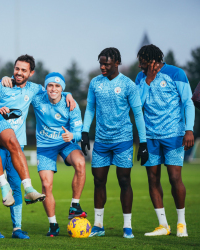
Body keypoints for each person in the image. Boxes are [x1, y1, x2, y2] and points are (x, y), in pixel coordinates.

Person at [0, 56, 76, 239]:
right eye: (17, 69)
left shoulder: (35, 89)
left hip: (18, 146)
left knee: (16, 186)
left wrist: (69, 95)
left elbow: (54, 92)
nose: (19, 73)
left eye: (23, 70)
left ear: (31, 73)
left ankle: (17, 229)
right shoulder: (2, 85)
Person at [81, 47, 148, 239]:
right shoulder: (95, 83)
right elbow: (90, 109)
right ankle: (98, 225)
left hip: (123, 141)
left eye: (106, 64)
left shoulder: (128, 85)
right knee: (98, 181)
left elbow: (137, 114)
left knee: (124, 181)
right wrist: (85, 132)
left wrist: (142, 143)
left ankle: (127, 226)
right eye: (100, 63)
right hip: (101, 141)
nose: (102, 66)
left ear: (116, 63)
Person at [135, 44, 195, 237]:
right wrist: (149, 80)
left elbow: (188, 103)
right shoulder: (141, 78)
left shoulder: (176, 73)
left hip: (174, 135)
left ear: (153, 60)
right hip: (150, 137)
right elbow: (139, 105)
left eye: (142, 62)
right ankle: (163, 225)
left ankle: (181, 223)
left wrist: (189, 130)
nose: (139, 66)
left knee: (174, 177)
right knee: (152, 179)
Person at [31, 72, 86, 237]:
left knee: (81, 163)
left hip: (66, 142)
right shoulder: (37, 98)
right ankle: (53, 224)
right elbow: (22, 87)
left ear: (62, 88)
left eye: (57, 86)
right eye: (50, 85)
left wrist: (73, 136)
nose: (53, 89)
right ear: (46, 87)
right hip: (45, 147)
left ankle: (74, 206)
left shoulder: (71, 104)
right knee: (46, 186)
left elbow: (78, 130)